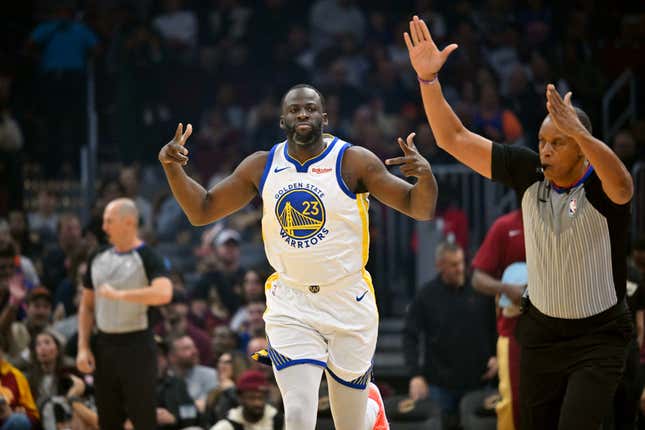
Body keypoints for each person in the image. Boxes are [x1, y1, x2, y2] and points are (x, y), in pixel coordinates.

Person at [159, 83, 438, 430]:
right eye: (294, 109)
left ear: (324, 116)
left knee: (349, 424)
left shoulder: (353, 161)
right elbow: (202, 210)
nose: (302, 114)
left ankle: (371, 410)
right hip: (292, 303)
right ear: (282, 120)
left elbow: (419, 207)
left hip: (347, 299)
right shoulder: (260, 166)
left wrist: (426, 177)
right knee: (298, 416)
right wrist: (173, 169)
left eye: (309, 108)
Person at [404, 15, 634, 429]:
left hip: (598, 338)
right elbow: (452, 138)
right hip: (541, 334)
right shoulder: (527, 171)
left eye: (557, 142)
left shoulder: (601, 186)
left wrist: (579, 133)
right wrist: (428, 81)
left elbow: (624, 187)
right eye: (542, 141)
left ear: (582, 149)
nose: (544, 150)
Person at [76, 198, 173, 430]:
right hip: (104, 345)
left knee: (143, 419)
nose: (104, 227)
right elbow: (87, 305)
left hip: (137, 345)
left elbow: (164, 293)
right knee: (108, 420)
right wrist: (82, 347)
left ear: (129, 222)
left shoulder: (149, 256)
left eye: (109, 221)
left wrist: (121, 295)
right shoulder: (96, 257)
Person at [403, 241, 497, 429]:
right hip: (440, 384)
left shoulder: (480, 291)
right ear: (440, 265)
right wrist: (415, 375)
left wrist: (497, 356)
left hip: (478, 381)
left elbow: (496, 326)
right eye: (453, 265)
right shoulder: (427, 295)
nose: (460, 269)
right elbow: (409, 335)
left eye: (462, 262)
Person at [471, 208, 525, 430]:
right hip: (514, 334)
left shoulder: (559, 221)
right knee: (513, 403)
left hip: (554, 332)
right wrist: (505, 288)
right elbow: (477, 279)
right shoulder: (505, 226)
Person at [210, 370, 283, 430]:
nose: (257, 403)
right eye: (251, 398)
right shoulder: (228, 426)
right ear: (240, 398)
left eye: (260, 398)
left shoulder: (279, 422)